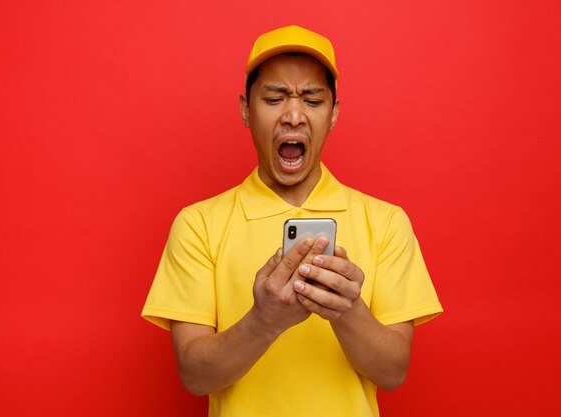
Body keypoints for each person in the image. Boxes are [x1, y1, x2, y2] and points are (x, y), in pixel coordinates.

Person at [142, 25, 443, 417]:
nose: (294, 115)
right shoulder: (198, 224)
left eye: (313, 100)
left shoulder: (386, 223)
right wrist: (264, 321)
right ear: (246, 110)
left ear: (333, 113)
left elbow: (392, 372)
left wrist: (347, 309)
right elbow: (196, 376)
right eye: (274, 98)